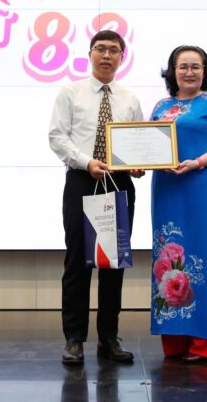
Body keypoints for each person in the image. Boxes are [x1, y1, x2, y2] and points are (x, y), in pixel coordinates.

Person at [49, 29, 144, 365]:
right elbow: (57, 137)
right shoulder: (70, 92)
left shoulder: (129, 99)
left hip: (119, 183)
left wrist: (137, 165)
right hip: (82, 180)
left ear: (122, 57)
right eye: (100, 49)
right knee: (77, 261)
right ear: (90, 53)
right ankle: (74, 339)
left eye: (113, 50)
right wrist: (86, 162)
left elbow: (138, 140)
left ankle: (109, 338)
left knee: (114, 263)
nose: (107, 55)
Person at [149, 45, 207, 361]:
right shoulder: (161, 106)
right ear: (172, 72)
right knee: (168, 256)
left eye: (195, 67)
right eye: (182, 66)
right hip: (168, 188)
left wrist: (197, 162)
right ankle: (176, 340)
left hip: (203, 185)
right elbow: (148, 145)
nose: (189, 72)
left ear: (205, 71)